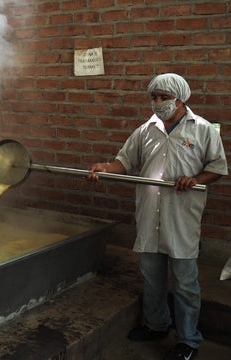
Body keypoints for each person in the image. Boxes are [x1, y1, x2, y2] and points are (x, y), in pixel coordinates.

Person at [87, 73, 228, 360]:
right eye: (154, 97)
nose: (158, 102)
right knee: (152, 278)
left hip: (182, 219)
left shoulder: (202, 130)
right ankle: (156, 325)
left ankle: (188, 340)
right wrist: (105, 166)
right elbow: (124, 162)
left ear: (180, 98)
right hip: (150, 216)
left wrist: (195, 179)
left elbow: (218, 168)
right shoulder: (145, 130)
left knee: (185, 283)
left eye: (164, 97)